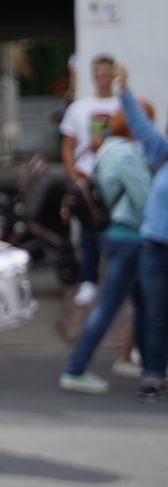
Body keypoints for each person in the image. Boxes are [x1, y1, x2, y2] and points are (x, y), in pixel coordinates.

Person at [60, 87, 155, 394]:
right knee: (110, 305)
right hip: (128, 236)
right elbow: (145, 200)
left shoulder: (107, 149)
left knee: (141, 303)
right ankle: (76, 368)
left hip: (116, 235)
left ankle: (145, 363)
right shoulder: (126, 153)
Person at [107, 65, 168, 401]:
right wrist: (123, 90)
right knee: (156, 316)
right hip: (155, 247)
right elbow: (140, 123)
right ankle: (154, 375)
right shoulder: (161, 151)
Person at [60, 55, 121, 308]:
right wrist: (74, 174)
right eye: (98, 72)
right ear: (93, 75)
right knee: (89, 231)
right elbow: (67, 145)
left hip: (116, 178)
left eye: (107, 72)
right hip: (88, 178)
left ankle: (116, 281)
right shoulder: (79, 108)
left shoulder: (123, 105)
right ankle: (89, 280)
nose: (102, 76)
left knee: (118, 230)